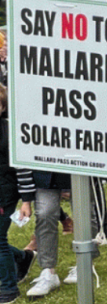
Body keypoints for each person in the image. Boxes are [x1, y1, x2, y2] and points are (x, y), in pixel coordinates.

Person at [0, 85, 36, 303]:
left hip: (5, 193)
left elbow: (22, 168)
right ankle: (23, 258)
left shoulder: (10, 132)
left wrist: (26, 200)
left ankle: (8, 289)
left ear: (3, 107)